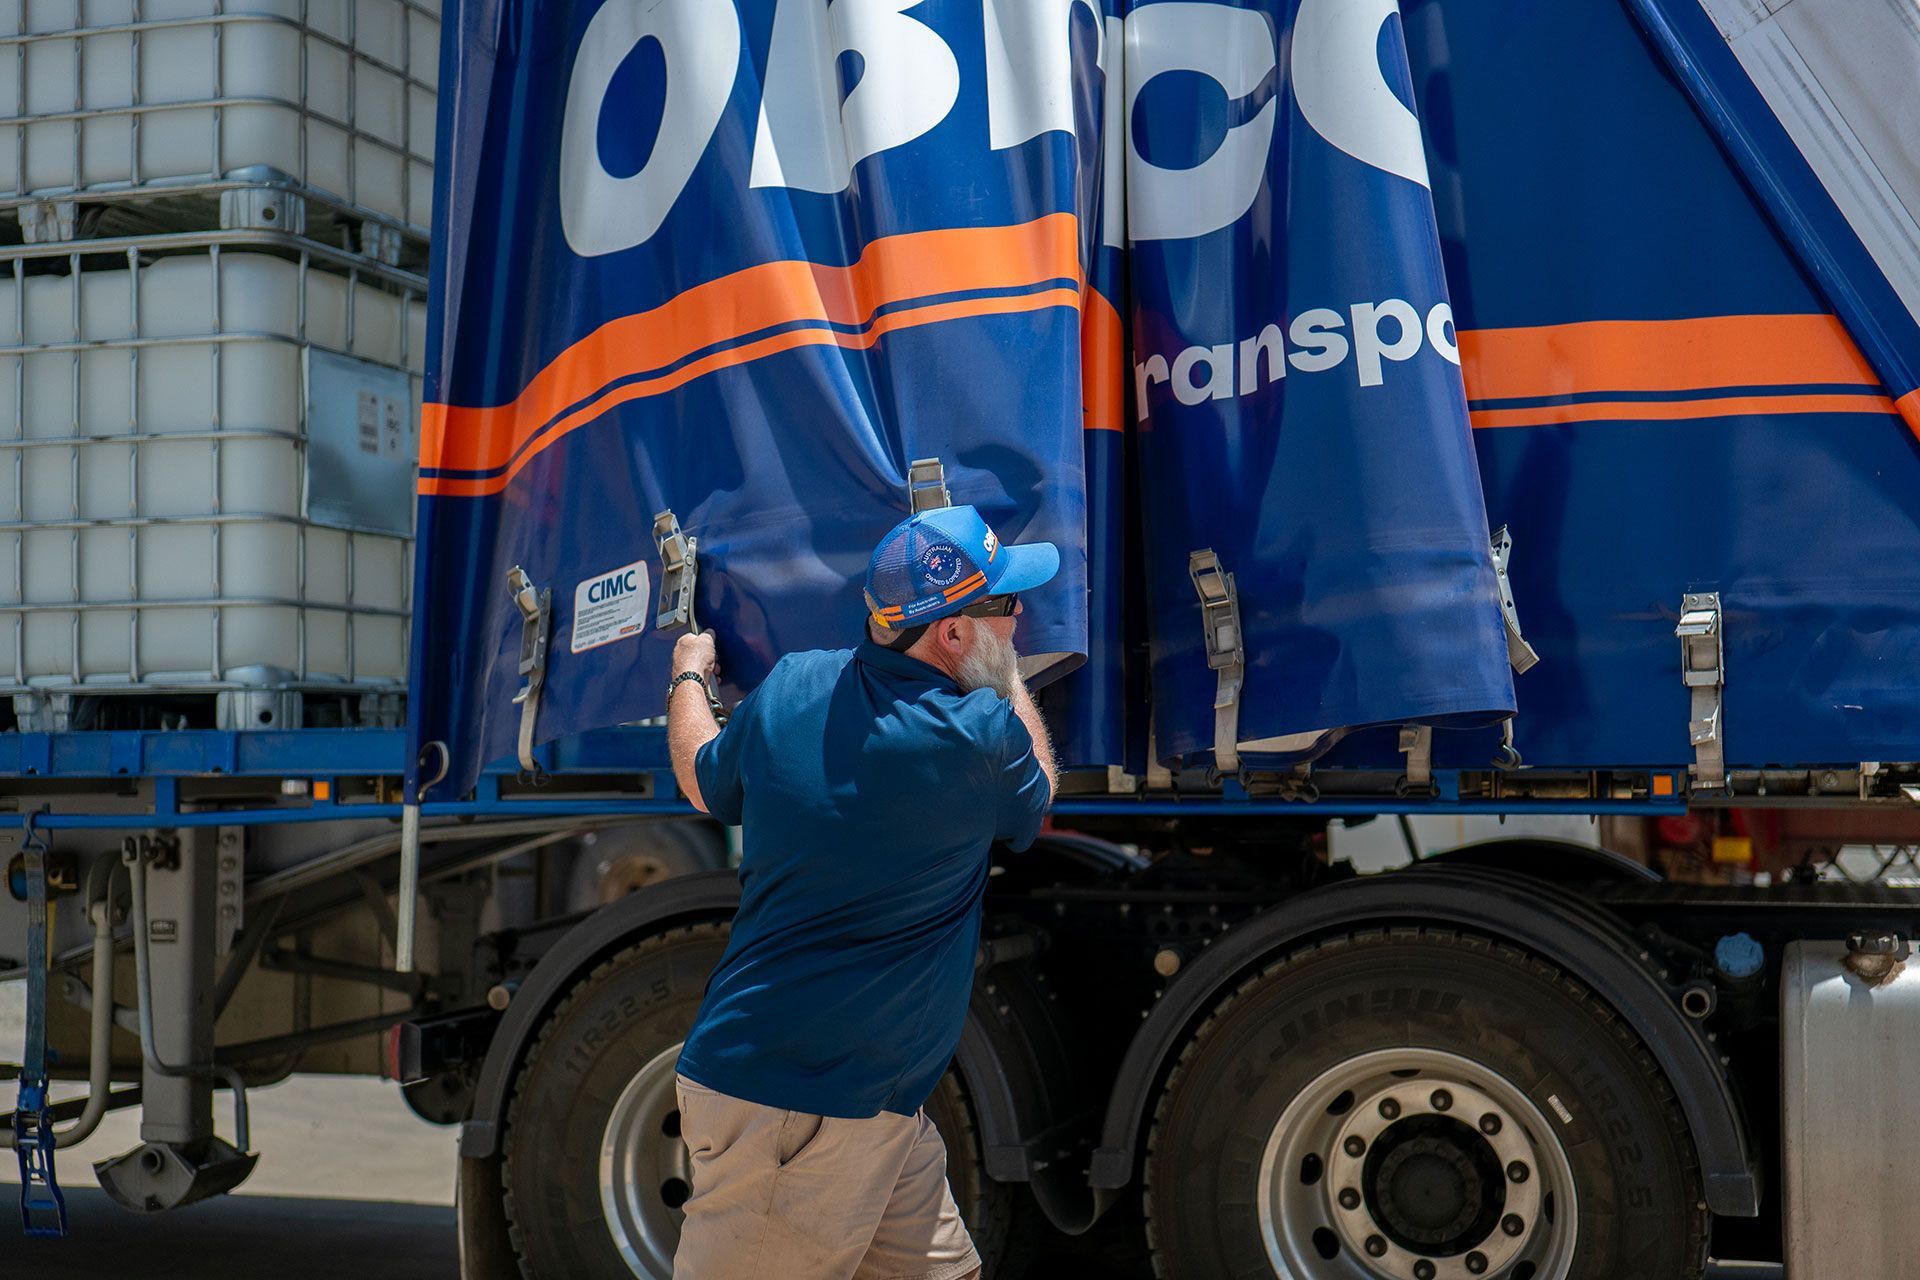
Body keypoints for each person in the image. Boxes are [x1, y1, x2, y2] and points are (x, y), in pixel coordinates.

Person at [664, 501, 1060, 1280]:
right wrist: (1007, 678)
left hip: (860, 1105)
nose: (1021, 620)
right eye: (1008, 604)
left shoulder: (788, 689)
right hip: (795, 1114)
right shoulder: (975, 736)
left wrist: (687, 673)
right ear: (952, 632)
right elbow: (1038, 788)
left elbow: (702, 779)